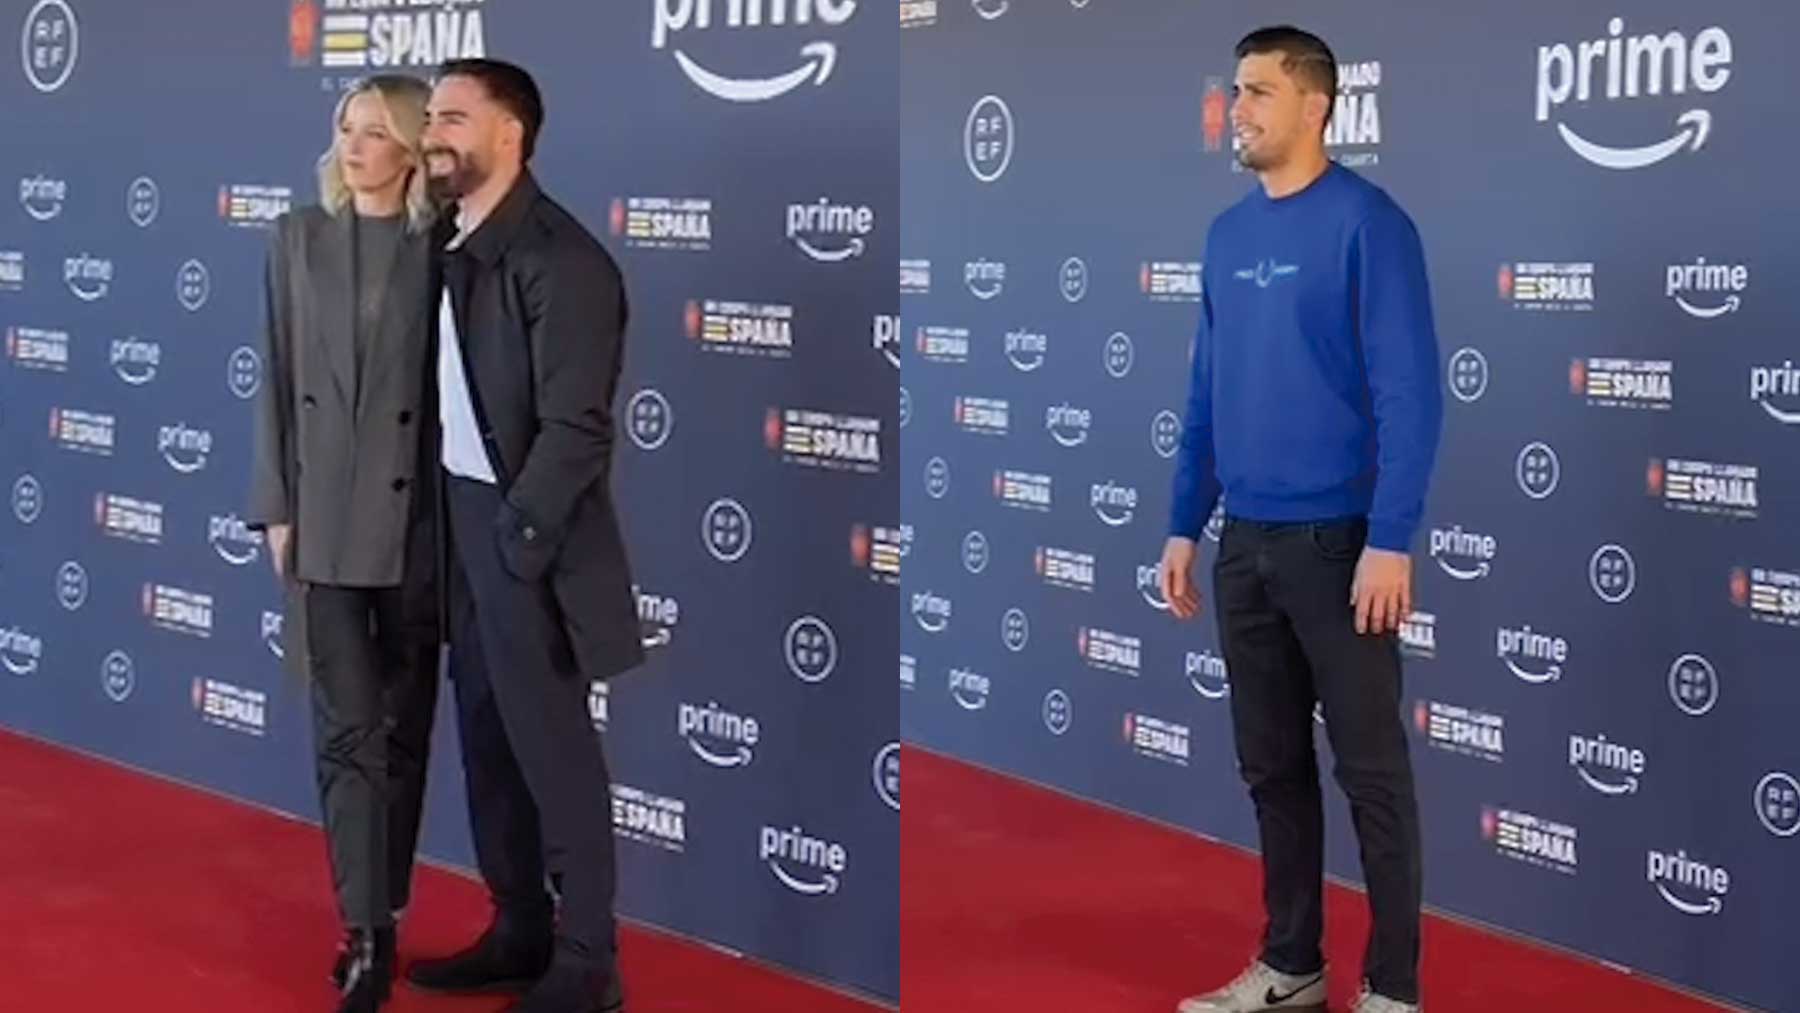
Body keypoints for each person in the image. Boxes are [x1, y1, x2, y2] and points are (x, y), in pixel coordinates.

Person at [1160, 25, 1442, 1013]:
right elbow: (1206, 393)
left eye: (1258, 92)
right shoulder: (1226, 237)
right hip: (1245, 545)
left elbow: (1413, 393)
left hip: (1343, 545)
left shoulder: (1370, 224)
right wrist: (1181, 524)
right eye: (1235, 92)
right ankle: (1292, 961)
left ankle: (1394, 988)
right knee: (1271, 766)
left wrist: (1393, 536)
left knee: (1371, 774)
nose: (1237, 110)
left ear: (1316, 104)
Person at [402, 58, 644, 1013]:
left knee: (553, 752)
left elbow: (577, 428)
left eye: (454, 117)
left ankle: (589, 965)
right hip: (460, 521)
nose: (434, 133)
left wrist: (516, 541)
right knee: (487, 740)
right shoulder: (449, 242)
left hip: (524, 535)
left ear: (512, 134)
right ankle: (518, 930)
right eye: (430, 116)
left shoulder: (565, 260)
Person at [247, 74, 443, 1013]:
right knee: (349, 736)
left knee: (402, 739)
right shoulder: (296, 239)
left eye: (376, 132)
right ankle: (364, 933)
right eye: (346, 128)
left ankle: (386, 910)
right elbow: (273, 386)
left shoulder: (441, 248)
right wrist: (275, 510)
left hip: (417, 533)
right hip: (323, 527)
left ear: (411, 149)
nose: (355, 145)